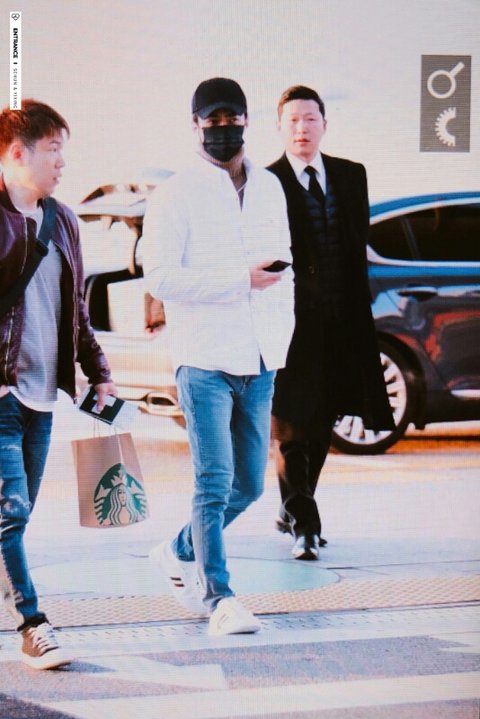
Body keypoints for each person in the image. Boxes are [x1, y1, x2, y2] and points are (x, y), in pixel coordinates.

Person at [143, 78, 294, 635]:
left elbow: (283, 262)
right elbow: (159, 278)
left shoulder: (270, 186)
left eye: (233, 118)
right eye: (213, 120)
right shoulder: (175, 194)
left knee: (249, 486)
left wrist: (281, 335)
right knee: (213, 482)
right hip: (204, 356)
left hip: (261, 356)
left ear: (247, 121)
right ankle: (219, 599)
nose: (224, 129)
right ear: (195, 125)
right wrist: (238, 280)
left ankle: (178, 550)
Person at [0, 100, 116, 668]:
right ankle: (33, 624)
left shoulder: (64, 220)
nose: (62, 163)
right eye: (52, 150)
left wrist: (99, 372)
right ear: (16, 154)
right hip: (1, 392)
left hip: (42, 396)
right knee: (10, 512)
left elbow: (76, 310)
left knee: (14, 517)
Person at [267, 85, 394, 560]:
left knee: (323, 423)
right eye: (293, 120)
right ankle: (305, 524)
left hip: (343, 323)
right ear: (280, 127)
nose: (302, 128)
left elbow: (354, 247)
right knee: (292, 427)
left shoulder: (350, 175)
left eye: (310, 119)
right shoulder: (266, 182)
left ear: (324, 124)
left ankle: (294, 509)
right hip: (290, 327)